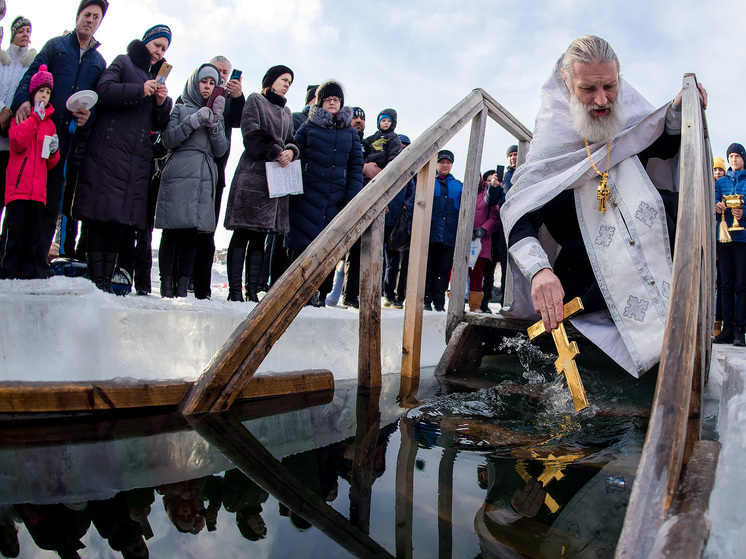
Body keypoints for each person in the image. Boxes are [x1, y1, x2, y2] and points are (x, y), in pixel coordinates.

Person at [501, 35, 707, 377]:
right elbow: (521, 217)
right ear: (567, 83)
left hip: (654, 260)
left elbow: (662, 143)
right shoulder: (550, 145)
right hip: (589, 281)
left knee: (670, 206)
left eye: (610, 86)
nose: (602, 100)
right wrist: (539, 271)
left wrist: (678, 110)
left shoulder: (626, 116)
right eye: (588, 89)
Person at [10, 0, 108, 278]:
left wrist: (88, 118)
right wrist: (21, 103)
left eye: (96, 17)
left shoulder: (98, 62)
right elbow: (31, 77)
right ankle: (11, 262)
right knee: (23, 199)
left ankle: (37, 264)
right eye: (86, 14)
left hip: (64, 142)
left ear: (99, 23)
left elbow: (96, 104)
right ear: (77, 17)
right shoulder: (55, 46)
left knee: (51, 202)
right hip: (38, 134)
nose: (90, 20)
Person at [72, 25, 172, 293]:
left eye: (164, 48)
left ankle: (105, 281)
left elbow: (159, 123)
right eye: (156, 45)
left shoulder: (155, 78)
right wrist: (139, 90)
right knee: (99, 216)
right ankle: (96, 280)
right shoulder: (123, 62)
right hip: (108, 150)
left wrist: (162, 103)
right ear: (146, 42)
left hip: (134, 158)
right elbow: (102, 92)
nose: (159, 52)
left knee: (118, 220)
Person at [222, 65, 298, 302]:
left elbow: (292, 140)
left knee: (260, 236)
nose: (287, 84)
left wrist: (291, 152)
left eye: (290, 82)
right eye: (284, 79)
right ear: (271, 80)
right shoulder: (255, 100)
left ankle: (252, 290)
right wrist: (277, 151)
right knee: (243, 231)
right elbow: (251, 132)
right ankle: (235, 291)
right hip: (253, 174)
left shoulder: (287, 113)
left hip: (274, 180)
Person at [287, 80, 364, 306]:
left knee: (329, 250)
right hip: (306, 197)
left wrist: (351, 198)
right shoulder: (308, 128)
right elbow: (295, 155)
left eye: (336, 99)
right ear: (320, 102)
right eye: (328, 99)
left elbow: (355, 169)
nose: (332, 102)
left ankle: (320, 296)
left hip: (336, 199)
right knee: (301, 246)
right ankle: (294, 294)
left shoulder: (350, 134)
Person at [155, 63, 228, 297]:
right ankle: (166, 283)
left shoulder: (217, 115)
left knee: (191, 233)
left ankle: (182, 286)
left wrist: (214, 124)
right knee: (171, 230)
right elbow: (168, 139)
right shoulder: (180, 108)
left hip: (204, 177)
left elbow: (221, 150)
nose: (207, 87)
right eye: (204, 82)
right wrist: (193, 120)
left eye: (212, 83)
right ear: (195, 83)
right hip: (178, 172)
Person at [190, 55, 245, 300]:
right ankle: (185, 277)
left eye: (226, 71)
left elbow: (237, 121)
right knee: (187, 223)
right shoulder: (198, 91)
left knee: (207, 227)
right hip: (191, 167)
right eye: (219, 70)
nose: (223, 75)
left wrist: (237, 97)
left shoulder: (230, 98)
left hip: (216, 169)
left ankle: (201, 283)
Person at [0, 65, 60, 279]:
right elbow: (16, 142)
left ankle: (26, 277)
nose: (44, 95)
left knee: (31, 238)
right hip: (18, 189)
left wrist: (54, 151)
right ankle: (6, 275)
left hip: (38, 192)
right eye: (41, 91)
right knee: (13, 234)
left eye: (48, 92)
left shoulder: (51, 125)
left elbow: (50, 162)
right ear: (33, 93)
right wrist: (34, 118)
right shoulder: (23, 116)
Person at [342, 108, 404, 308]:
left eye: (362, 118)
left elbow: (395, 160)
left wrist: (382, 176)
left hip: (374, 194)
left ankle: (360, 294)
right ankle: (345, 293)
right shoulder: (364, 140)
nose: (358, 121)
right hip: (352, 195)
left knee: (369, 250)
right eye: (355, 117)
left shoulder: (392, 140)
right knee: (351, 247)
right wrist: (364, 168)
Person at [0, 16, 35, 222]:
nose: (26, 35)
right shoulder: (1, 60)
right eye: (22, 31)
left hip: (12, 144)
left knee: (8, 199)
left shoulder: (29, 65)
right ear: (13, 33)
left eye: (28, 32)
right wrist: (2, 109)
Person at [714, 143, 746, 346]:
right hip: (724, 237)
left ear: (743, 158)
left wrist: (744, 214)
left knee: (741, 285)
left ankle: (740, 330)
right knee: (725, 284)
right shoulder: (721, 182)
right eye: (731, 156)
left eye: (737, 156)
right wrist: (717, 206)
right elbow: (714, 200)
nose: (733, 160)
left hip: (743, 239)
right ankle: (727, 328)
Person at [424, 149, 463, 312]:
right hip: (429, 235)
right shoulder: (427, 182)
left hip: (449, 236)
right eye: (442, 162)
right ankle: (425, 300)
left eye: (448, 162)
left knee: (443, 270)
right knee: (427, 268)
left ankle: (439, 302)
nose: (445, 165)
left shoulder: (458, 186)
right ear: (436, 163)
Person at [483, 144, 518, 311]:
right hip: (503, 229)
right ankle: (504, 303)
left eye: (516, 154)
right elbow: (490, 202)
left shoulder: (527, 172)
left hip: (522, 225)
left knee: (518, 268)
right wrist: (494, 186)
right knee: (504, 267)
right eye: (510, 155)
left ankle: (517, 303)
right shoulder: (503, 178)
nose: (513, 158)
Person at [382, 133, 415, 308]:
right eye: (400, 147)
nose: (402, 151)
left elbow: (412, 192)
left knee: (393, 262)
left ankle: (389, 294)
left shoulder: (408, 173)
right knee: (374, 258)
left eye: (405, 148)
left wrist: (406, 206)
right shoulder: (386, 167)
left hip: (396, 223)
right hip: (381, 218)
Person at [468, 177, 500, 311]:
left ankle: (475, 305)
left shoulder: (488, 193)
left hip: (479, 241)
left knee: (477, 275)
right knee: (456, 272)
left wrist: (483, 229)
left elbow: (494, 217)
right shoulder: (463, 191)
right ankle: (452, 299)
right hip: (461, 240)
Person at [713, 155, 727, 335]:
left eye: (720, 169)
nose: (717, 173)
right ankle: (715, 322)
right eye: (715, 169)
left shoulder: (726, 189)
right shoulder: (711, 189)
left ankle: (721, 322)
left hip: (726, 239)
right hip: (714, 242)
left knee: (724, 283)